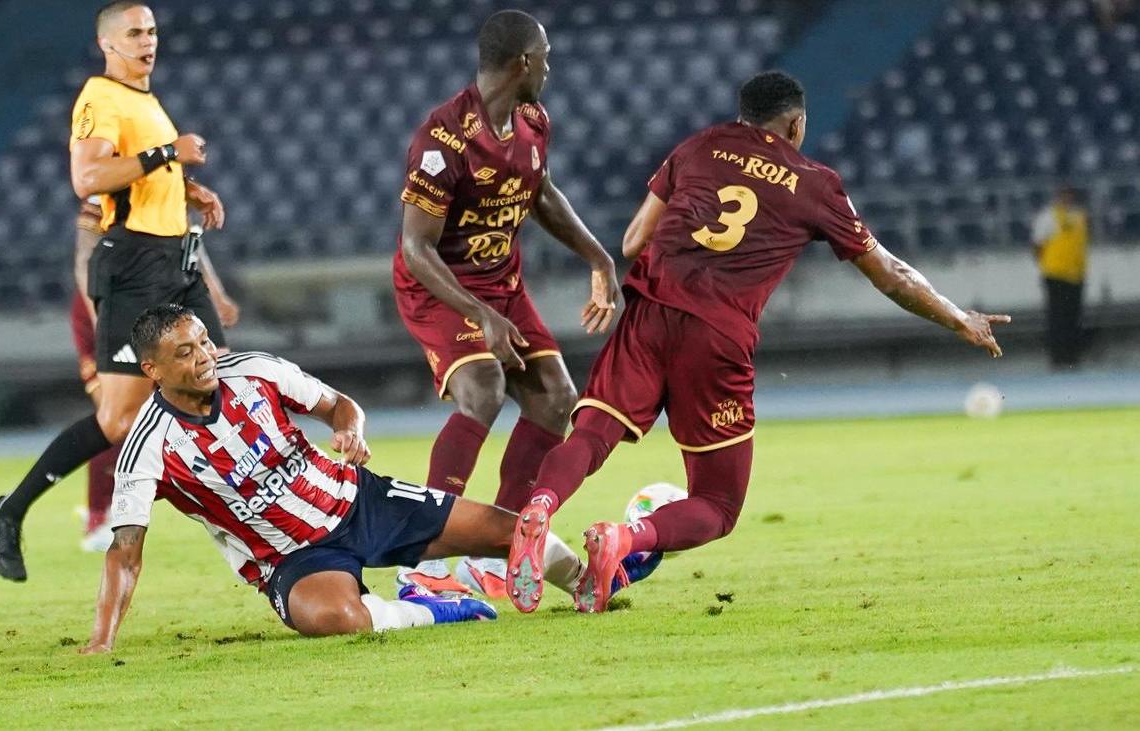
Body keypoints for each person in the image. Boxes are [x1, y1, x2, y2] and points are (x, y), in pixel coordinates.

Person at [505, 71, 1012, 614]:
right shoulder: (816, 182)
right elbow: (891, 274)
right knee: (717, 503)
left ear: (743, 114)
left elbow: (632, 241)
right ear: (795, 124)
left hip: (649, 311)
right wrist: (959, 317)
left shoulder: (699, 146)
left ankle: (538, 506)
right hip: (717, 336)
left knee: (591, 435)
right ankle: (625, 540)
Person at [79, 304, 611, 652]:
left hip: (359, 500)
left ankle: (590, 585)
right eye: (185, 353)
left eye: (203, 342)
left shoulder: (255, 370)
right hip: (292, 558)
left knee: (510, 531)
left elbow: (338, 405)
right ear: (152, 371)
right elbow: (125, 551)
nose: (204, 358)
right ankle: (431, 611)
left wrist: (350, 431)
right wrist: (102, 640)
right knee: (338, 619)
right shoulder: (148, 446)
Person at [0, 0, 235, 582]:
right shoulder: (100, 98)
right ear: (108, 44)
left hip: (177, 265)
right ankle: (7, 511)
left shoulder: (144, 101)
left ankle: (260, 516)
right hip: (134, 267)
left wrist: (184, 189)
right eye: (134, 33)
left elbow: (136, 177)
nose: (148, 41)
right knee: (118, 420)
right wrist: (169, 154)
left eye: (152, 31)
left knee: (223, 381)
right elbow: (87, 180)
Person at [392, 9, 620, 595]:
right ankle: (422, 556)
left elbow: (540, 194)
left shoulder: (534, 122)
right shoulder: (442, 140)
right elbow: (417, 249)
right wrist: (480, 314)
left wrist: (599, 258)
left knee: (555, 397)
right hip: (440, 285)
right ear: (523, 62)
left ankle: (494, 554)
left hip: (503, 285)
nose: (550, 65)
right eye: (544, 54)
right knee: (484, 388)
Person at [71, 197, 239, 552]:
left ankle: (233, 495)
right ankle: (98, 516)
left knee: (207, 397)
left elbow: (191, 240)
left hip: (162, 299)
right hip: (112, 303)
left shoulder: (171, 183)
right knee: (116, 420)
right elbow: (85, 258)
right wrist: (100, 316)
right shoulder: (109, 188)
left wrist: (215, 292)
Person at [1031, 186, 1089, 369]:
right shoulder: (1049, 216)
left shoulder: (1080, 217)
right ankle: (1058, 358)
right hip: (1055, 274)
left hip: (1075, 275)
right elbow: (1037, 244)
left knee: (1074, 318)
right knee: (1057, 318)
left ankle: (1072, 357)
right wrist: (1047, 265)